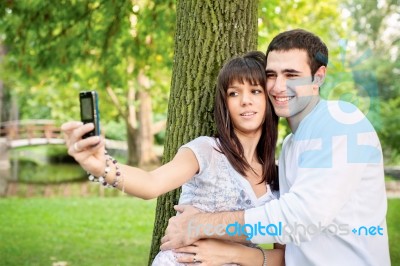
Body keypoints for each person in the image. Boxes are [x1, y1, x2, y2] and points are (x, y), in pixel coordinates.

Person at [160, 29, 391, 266]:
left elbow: (299, 217)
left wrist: (201, 224)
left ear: (318, 77)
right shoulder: (290, 145)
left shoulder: (340, 121)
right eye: (272, 75)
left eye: (291, 75)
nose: (278, 86)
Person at [62, 51, 285, 266]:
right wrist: (103, 167)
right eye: (234, 93)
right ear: (224, 103)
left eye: (255, 91)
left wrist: (231, 252)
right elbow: (150, 183)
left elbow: (285, 258)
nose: (245, 100)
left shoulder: (278, 175)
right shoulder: (207, 151)